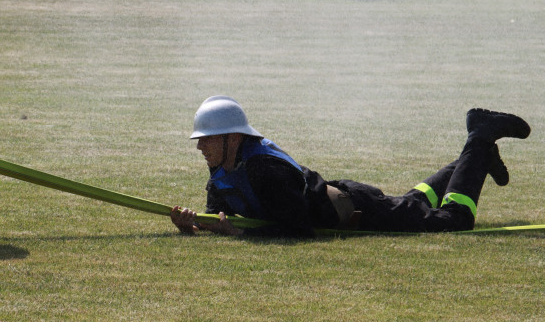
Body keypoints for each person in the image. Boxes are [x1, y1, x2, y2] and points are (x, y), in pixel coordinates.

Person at [170, 96, 530, 238]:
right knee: (412, 202)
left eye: (208, 138)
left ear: (233, 138)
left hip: (357, 211)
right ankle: (475, 158)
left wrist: (238, 235)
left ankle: (480, 137)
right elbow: (218, 214)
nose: (200, 146)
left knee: (455, 221)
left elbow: (297, 229)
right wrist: (194, 226)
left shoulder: (264, 170)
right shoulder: (223, 166)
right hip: (349, 201)